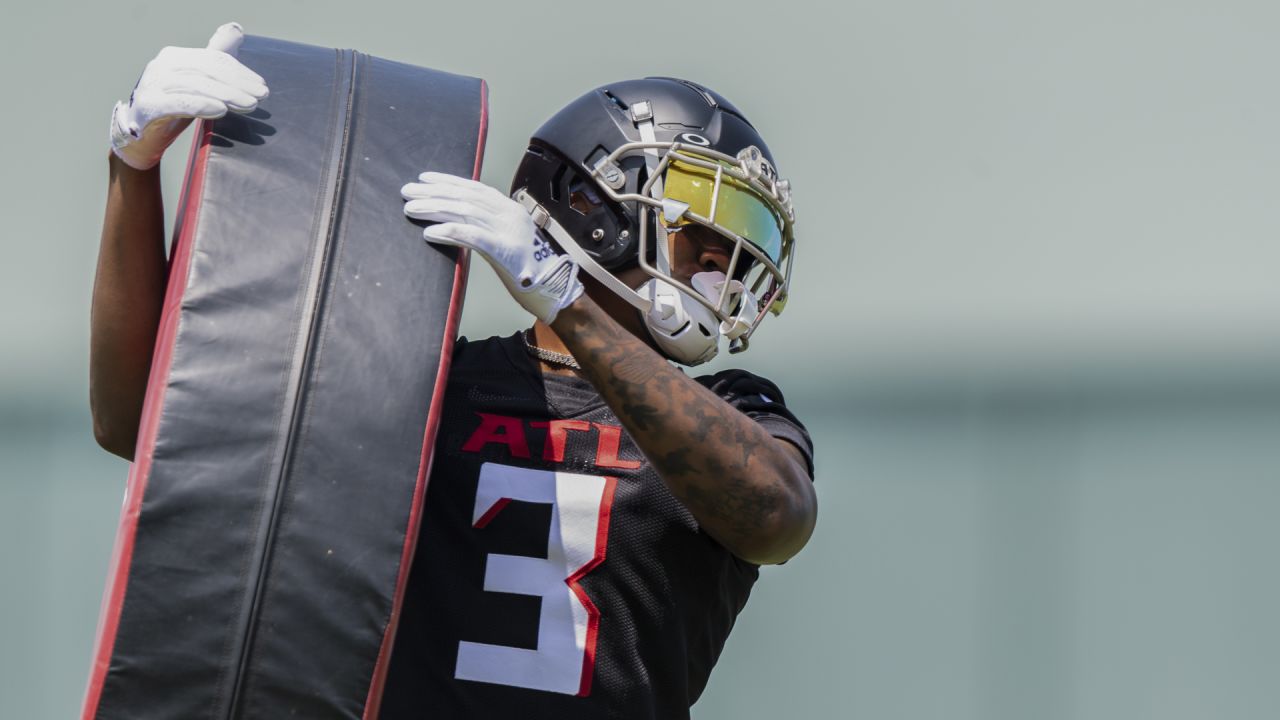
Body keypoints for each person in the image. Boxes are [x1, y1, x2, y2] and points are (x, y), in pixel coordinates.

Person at [91, 22, 817, 719]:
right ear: (594, 206)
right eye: (703, 230)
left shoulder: (736, 414)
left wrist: (565, 300)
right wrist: (133, 165)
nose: (726, 262)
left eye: (743, 239)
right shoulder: (429, 379)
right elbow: (139, 424)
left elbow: (775, 517)